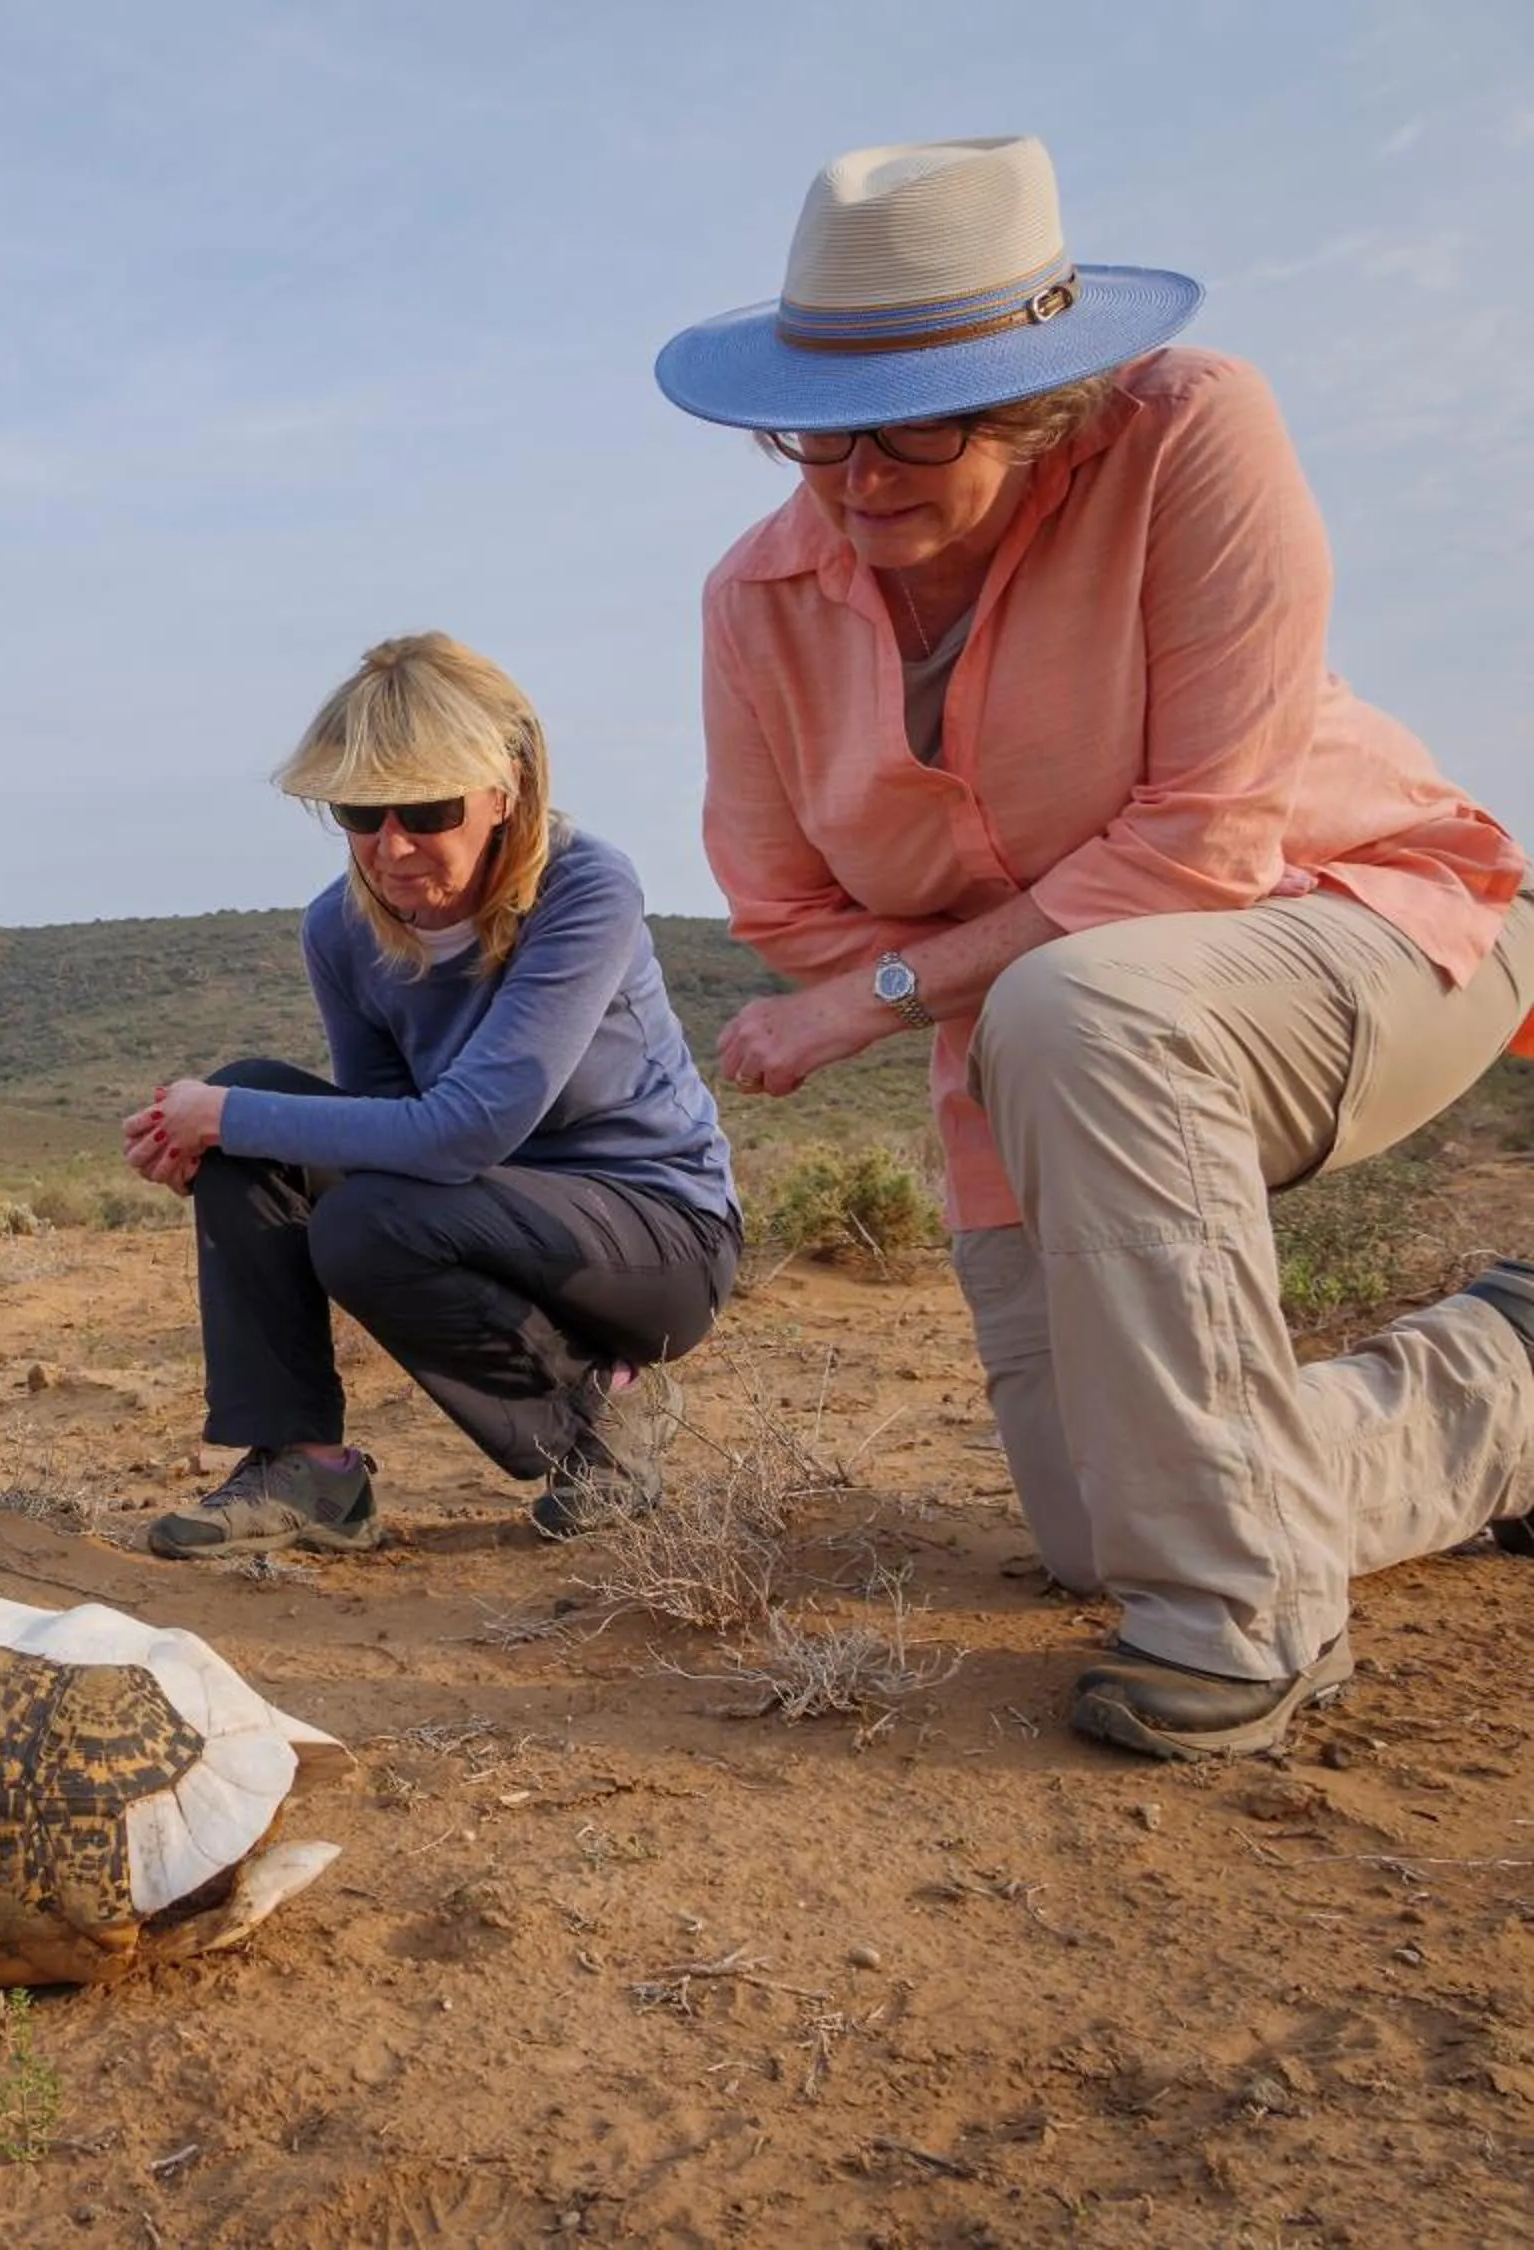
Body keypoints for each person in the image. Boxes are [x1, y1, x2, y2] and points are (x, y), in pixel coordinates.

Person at [657, 135, 1534, 1762]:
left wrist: (901, 984)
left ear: (1038, 393)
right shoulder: (754, 598)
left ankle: (1246, 1619)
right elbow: (780, 903)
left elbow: (1206, 842)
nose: (858, 476)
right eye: (820, 425)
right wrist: (1002, 958)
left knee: (1081, 1001)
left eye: (917, 419)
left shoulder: (1192, 431)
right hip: (1043, 1046)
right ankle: (1506, 1375)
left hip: (1384, 922)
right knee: (1098, 1521)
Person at [123, 632, 740, 1559]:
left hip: (656, 1241)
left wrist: (226, 1118)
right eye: (361, 812)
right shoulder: (340, 929)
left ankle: (603, 1418)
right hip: (485, 1216)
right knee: (251, 1106)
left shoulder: (584, 889)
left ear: (505, 790)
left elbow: (466, 1131)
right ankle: (304, 1466)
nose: (393, 845)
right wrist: (218, 1136)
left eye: (427, 808)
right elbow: (378, 1125)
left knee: (328, 1191)